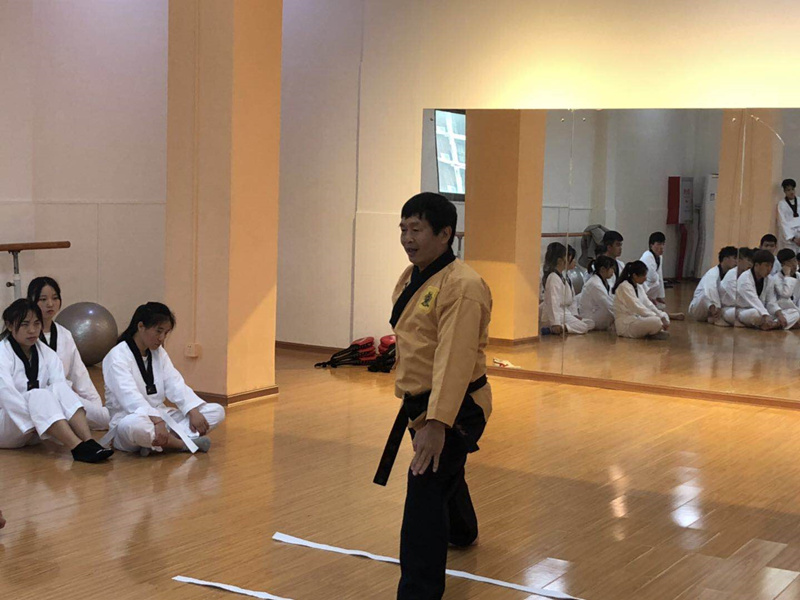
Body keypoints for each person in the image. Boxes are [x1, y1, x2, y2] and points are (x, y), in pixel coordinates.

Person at [377, 192, 491, 600]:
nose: (407, 238)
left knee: (424, 498)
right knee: (443, 473)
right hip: (420, 401)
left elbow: (454, 359)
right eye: (403, 229)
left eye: (417, 229)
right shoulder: (413, 276)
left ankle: (418, 593)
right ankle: (463, 530)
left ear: (445, 234)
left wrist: (438, 423)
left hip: (455, 406)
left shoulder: (463, 286)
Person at [100, 302, 225, 455]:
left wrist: (192, 410)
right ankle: (181, 444)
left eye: (166, 333)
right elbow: (129, 397)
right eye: (158, 331)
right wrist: (157, 421)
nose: (162, 338)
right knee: (135, 426)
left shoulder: (159, 353)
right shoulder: (117, 356)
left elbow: (175, 383)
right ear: (141, 326)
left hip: (162, 415)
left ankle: (156, 443)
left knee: (216, 411)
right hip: (130, 417)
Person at [0, 299, 113, 462]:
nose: (32, 330)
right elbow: (6, 395)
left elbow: (61, 390)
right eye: (25, 325)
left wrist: (42, 418)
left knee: (60, 387)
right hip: (10, 423)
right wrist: (34, 420)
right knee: (38, 395)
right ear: (10, 325)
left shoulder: (47, 353)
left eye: (36, 324)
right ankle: (76, 447)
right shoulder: (2, 353)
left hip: (39, 426)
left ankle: (88, 441)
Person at [27, 277, 110, 430]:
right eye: (43, 299)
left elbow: (79, 374)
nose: (50, 304)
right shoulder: (26, 336)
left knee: (105, 418)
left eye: (55, 298)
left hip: (64, 397)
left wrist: (95, 405)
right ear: (31, 300)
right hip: (37, 400)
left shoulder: (64, 334)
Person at [540, 242, 595, 335]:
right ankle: (558, 328)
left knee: (590, 323)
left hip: (565, 312)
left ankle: (564, 326)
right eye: (566, 257)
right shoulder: (553, 277)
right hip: (557, 314)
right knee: (583, 327)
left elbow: (572, 300)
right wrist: (555, 323)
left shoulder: (563, 276)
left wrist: (574, 315)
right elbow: (553, 302)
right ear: (559, 260)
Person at [612, 261, 670, 340]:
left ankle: (653, 331)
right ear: (634, 276)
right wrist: (656, 317)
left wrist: (660, 315)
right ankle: (652, 331)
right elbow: (637, 307)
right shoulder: (624, 287)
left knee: (664, 316)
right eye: (643, 275)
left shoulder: (638, 286)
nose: (645, 278)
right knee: (656, 321)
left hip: (636, 319)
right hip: (626, 324)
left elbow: (648, 304)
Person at [640, 231, 685, 320]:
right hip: (643, 290)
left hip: (651, 292)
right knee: (655, 284)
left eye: (663, 244)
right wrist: (652, 298)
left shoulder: (659, 257)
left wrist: (660, 296)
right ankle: (665, 315)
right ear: (651, 245)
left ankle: (662, 314)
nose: (661, 247)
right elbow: (652, 278)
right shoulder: (647, 257)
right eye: (658, 244)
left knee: (661, 305)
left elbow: (660, 277)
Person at [687, 246, 737, 323]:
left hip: (717, 308)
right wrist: (716, 308)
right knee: (706, 293)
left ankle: (713, 317)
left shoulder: (732, 275)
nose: (736, 262)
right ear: (725, 259)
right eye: (734, 258)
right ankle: (715, 316)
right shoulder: (712, 273)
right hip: (700, 307)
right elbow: (710, 290)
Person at [736, 250, 782, 330]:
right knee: (755, 314)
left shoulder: (769, 279)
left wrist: (780, 315)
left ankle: (770, 324)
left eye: (771, 266)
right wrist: (765, 315)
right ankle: (773, 324)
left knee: (787, 313)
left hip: (762, 310)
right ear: (757, 265)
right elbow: (754, 300)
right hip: (744, 310)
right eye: (766, 265)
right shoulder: (745, 279)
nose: (769, 269)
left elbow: (771, 300)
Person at [719, 247, 755, 326]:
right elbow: (737, 299)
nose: (750, 264)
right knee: (755, 313)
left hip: (742, 307)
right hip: (727, 308)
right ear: (739, 260)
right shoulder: (731, 275)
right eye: (748, 260)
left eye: (752, 262)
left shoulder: (748, 276)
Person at [579, 255, 616, 331]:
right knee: (611, 312)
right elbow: (608, 304)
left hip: (597, 313)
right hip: (590, 317)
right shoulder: (594, 284)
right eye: (611, 268)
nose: (613, 271)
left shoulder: (606, 281)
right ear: (602, 269)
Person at [771, 249, 800, 329]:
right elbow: (786, 294)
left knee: (796, 313)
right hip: (783, 311)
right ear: (783, 264)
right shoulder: (776, 278)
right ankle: (776, 324)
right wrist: (787, 276)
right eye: (790, 262)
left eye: (795, 260)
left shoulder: (799, 276)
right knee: (793, 312)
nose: (794, 264)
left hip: (795, 310)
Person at [777, 179, 800, 253]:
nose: (791, 192)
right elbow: (782, 222)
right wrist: (792, 238)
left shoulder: (799, 201)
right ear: (784, 191)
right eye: (788, 190)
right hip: (790, 238)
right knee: (791, 255)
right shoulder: (782, 204)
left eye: (792, 189)